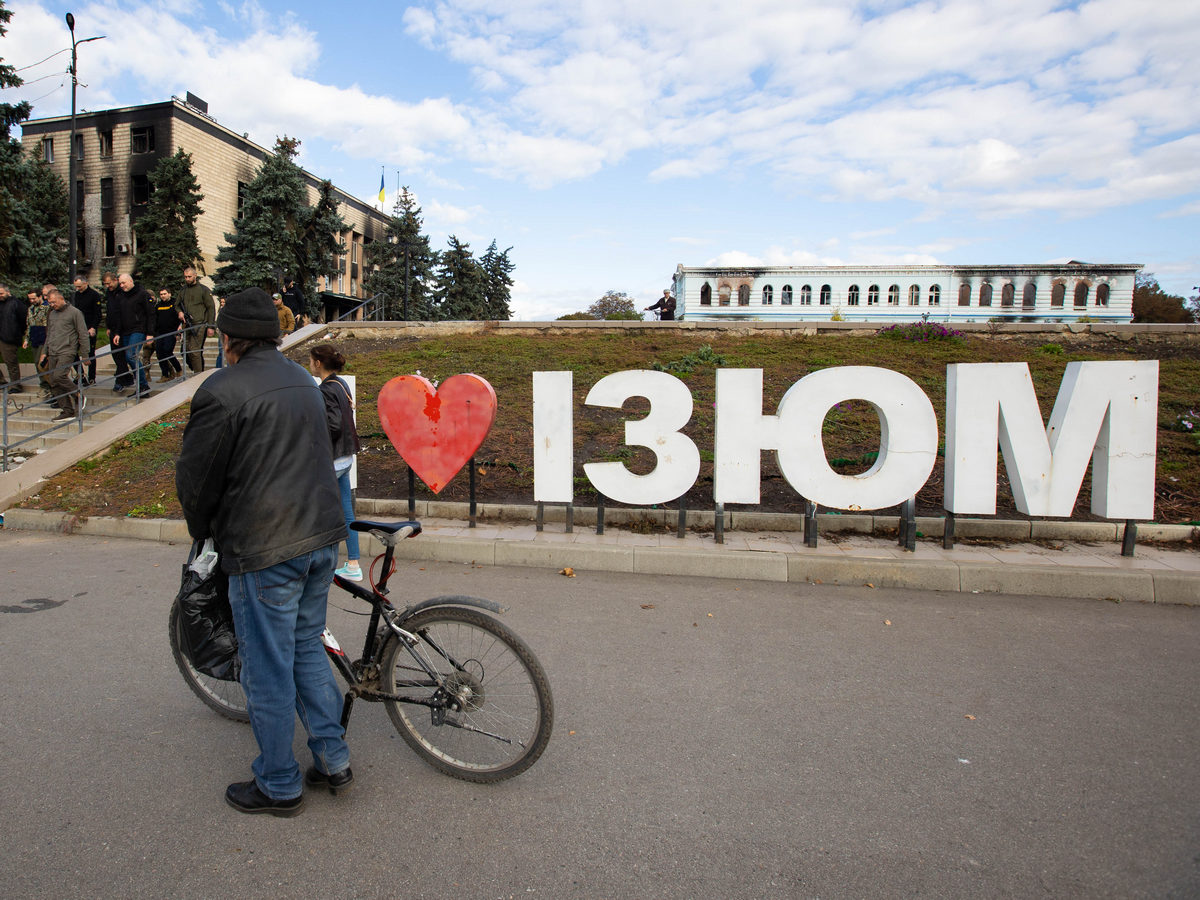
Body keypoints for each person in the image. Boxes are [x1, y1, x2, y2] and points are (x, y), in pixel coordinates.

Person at [175, 287, 352, 817]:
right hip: (321, 539)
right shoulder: (304, 379)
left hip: (265, 547)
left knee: (267, 666)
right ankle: (332, 760)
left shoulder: (222, 388)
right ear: (273, 337)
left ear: (227, 338)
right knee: (304, 651)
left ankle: (278, 783)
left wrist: (202, 530)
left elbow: (197, 475)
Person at [309, 344, 363, 582]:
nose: (309, 364)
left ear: (318, 363)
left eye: (311, 360)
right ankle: (353, 563)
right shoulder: (340, 384)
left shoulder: (325, 389)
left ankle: (316, 565)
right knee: (346, 511)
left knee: (316, 512)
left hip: (332, 460)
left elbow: (333, 424)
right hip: (346, 457)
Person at [40, 288, 90, 421]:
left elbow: (83, 334)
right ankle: (67, 410)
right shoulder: (52, 314)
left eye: (53, 302)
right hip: (53, 351)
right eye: (49, 303)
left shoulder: (75, 313)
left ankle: (79, 395)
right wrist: (44, 352)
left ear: (61, 298)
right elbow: (49, 334)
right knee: (53, 381)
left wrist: (85, 354)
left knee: (59, 375)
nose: (51, 305)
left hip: (67, 350)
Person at [113, 273, 153, 397]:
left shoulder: (142, 294)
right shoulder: (120, 296)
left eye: (124, 283)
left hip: (138, 329)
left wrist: (150, 333)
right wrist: (117, 333)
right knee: (128, 357)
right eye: (120, 283)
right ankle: (142, 386)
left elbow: (151, 314)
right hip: (125, 332)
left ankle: (143, 385)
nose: (122, 285)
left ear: (131, 281)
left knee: (131, 355)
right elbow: (118, 316)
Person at [179, 267, 215, 373]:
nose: (187, 279)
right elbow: (177, 305)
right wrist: (179, 312)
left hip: (200, 324)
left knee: (195, 350)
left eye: (189, 277)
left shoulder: (203, 289)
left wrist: (210, 326)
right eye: (185, 277)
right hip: (187, 324)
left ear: (195, 275)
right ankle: (197, 369)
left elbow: (211, 308)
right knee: (184, 350)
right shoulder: (183, 290)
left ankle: (198, 374)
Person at [102, 272, 133, 391]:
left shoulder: (122, 292)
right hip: (113, 327)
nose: (107, 286)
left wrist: (118, 331)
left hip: (122, 328)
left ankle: (120, 380)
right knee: (116, 355)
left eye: (109, 283)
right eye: (105, 284)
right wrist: (109, 327)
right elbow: (110, 311)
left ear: (115, 280)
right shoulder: (109, 293)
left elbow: (121, 312)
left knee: (121, 356)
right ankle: (127, 377)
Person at [71, 277, 104, 385]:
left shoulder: (94, 295)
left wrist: (93, 327)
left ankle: (91, 377)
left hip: (89, 327)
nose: (78, 288)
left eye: (80, 286)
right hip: (78, 328)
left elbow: (97, 314)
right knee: (73, 352)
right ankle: (80, 375)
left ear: (86, 283)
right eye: (76, 286)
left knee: (90, 353)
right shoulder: (77, 295)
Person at [152, 287, 186, 380]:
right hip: (160, 332)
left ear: (169, 294)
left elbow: (181, 316)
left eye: (165, 294)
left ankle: (178, 369)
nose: (163, 296)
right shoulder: (158, 306)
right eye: (161, 294)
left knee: (167, 351)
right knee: (159, 354)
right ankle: (165, 374)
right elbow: (155, 319)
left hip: (171, 332)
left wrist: (180, 328)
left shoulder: (175, 304)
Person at [0, 283, 28, 392]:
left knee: (10, 362)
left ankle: (16, 385)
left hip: (9, 337)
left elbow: (24, 321)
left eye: (1, 293)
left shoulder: (16, 304)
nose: (0, 295)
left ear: (7, 292)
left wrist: (18, 334)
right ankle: (1, 380)